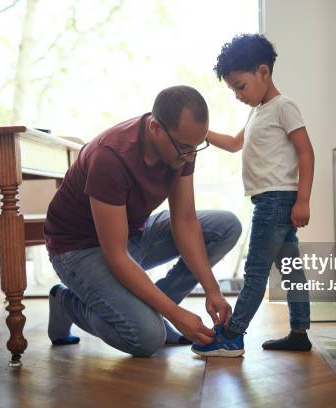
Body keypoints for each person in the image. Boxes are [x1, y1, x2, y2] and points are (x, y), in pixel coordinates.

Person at [44, 85, 242, 357]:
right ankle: (66, 301)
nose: (189, 155)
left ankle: (154, 307)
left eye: (196, 147)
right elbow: (116, 255)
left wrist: (212, 290)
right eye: (184, 147)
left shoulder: (183, 148)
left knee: (227, 226)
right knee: (147, 337)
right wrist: (175, 315)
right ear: (155, 127)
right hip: (79, 249)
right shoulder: (110, 157)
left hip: (133, 233)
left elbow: (184, 221)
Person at [192, 34, 315, 357]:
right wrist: (199, 133)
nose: (237, 95)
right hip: (273, 201)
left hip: (276, 200)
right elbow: (235, 144)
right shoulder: (257, 112)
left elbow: (306, 152)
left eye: (240, 86)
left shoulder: (283, 107)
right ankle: (299, 332)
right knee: (291, 269)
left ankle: (232, 336)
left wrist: (303, 200)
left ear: (263, 72)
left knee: (255, 271)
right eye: (232, 89)